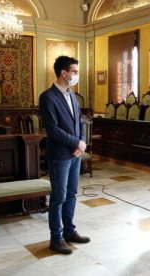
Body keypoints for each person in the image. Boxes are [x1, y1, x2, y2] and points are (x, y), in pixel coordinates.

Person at [39, 56, 90, 254]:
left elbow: (80, 122)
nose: (76, 75)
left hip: (75, 153)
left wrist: (81, 143)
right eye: (74, 71)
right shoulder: (48, 97)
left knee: (71, 194)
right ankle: (56, 238)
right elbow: (53, 129)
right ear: (64, 73)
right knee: (58, 197)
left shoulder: (72, 96)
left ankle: (70, 231)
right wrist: (76, 142)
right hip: (59, 155)